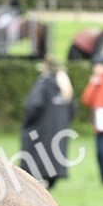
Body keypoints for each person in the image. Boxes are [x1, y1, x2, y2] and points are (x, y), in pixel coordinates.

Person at [19, 56, 75, 189]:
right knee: (55, 153)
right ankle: (51, 180)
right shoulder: (65, 85)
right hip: (60, 128)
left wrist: (27, 121)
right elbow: (72, 108)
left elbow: (33, 105)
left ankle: (40, 180)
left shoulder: (43, 83)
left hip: (40, 128)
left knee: (38, 154)